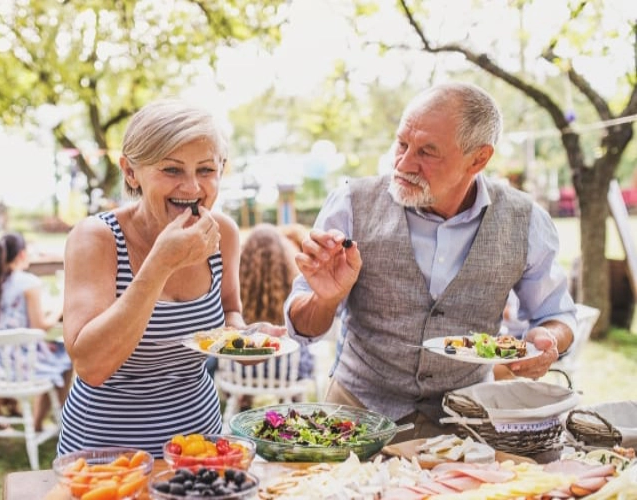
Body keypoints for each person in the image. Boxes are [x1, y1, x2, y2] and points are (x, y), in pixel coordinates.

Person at [284, 82, 577, 443]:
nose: (404, 164)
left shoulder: (526, 220)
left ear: (479, 158)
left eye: (427, 152)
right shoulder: (350, 204)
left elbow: (559, 316)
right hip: (356, 418)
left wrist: (548, 339)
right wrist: (325, 299)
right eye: (402, 143)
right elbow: (302, 326)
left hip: (468, 422)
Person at [58, 99, 264, 458]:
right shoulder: (95, 238)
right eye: (171, 170)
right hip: (106, 457)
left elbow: (230, 311)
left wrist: (244, 340)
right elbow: (91, 365)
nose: (191, 188)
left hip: (198, 448)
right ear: (131, 172)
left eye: (205, 170)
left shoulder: (223, 234)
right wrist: (160, 264)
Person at [0, 232, 71, 432]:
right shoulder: (28, 283)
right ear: (22, 255)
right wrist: (60, 307)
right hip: (19, 365)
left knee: (47, 351)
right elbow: (40, 326)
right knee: (65, 356)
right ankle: (39, 423)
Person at [235, 223, 314, 407]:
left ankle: (245, 400)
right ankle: (290, 402)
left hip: (242, 371)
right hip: (287, 370)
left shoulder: (238, 284)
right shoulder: (292, 283)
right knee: (300, 349)